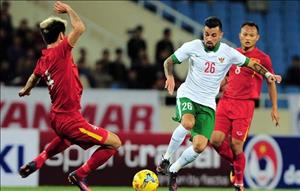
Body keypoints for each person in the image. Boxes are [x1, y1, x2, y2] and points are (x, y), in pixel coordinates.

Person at [155, 16, 281, 191]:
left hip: (210, 103)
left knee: (199, 146)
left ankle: (174, 170)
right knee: (189, 123)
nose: (209, 38)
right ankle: (166, 158)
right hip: (189, 95)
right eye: (206, 34)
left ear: (220, 35)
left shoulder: (229, 53)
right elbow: (168, 61)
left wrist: (268, 75)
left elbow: (252, 64)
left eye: (213, 35)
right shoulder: (193, 46)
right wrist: (169, 76)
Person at [18, 2, 121, 191]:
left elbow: (34, 77)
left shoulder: (44, 59)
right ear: (61, 36)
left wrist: (26, 90)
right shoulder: (61, 51)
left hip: (57, 118)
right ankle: (79, 174)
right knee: (114, 143)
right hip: (70, 119)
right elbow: (80, 28)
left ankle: (39, 160)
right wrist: (69, 10)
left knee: (67, 138)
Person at [210, 21, 280, 191]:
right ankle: (235, 163)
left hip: (245, 106)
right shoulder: (233, 54)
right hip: (225, 102)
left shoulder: (263, 58)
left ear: (257, 38)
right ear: (239, 35)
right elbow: (226, 77)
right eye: (245, 34)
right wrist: (218, 85)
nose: (247, 38)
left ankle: (239, 184)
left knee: (236, 145)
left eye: (251, 35)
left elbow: (270, 82)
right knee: (215, 140)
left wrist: (274, 108)